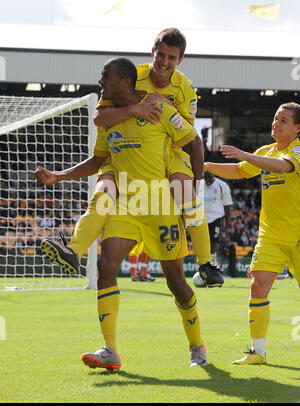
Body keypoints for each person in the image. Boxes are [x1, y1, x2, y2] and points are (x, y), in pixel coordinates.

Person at [35, 57, 207, 370]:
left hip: (160, 205)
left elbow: (192, 142)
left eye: (105, 75)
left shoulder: (161, 109)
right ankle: (109, 350)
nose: (100, 81)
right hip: (126, 204)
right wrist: (59, 176)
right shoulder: (109, 118)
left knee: (176, 281)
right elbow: (98, 160)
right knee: (106, 264)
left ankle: (197, 345)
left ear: (125, 81)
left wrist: (193, 186)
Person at [40, 27, 223, 288]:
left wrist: (160, 108)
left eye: (172, 58)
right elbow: (99, 118)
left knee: (187, 195)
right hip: (124, 154)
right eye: (161, 55)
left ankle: (205, 264)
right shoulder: (129, 76)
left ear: (179, 60)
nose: (164, 62)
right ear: (153, 52)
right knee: (101, 199)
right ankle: (74, 251)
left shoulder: (185, 89)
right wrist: (137, 108)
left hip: (166, 150)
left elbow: (187, 136)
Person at [204, 102, 300, 364]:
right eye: (275, 118)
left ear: (297, 128)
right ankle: (258, 352)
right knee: (257, 286)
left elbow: (282, 167)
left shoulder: (297, 150)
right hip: (271, 235)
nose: (276, 123)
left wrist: (243, 153)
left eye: (283, 120)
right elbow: (238, 171)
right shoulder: (265, 151)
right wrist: (207, 166)